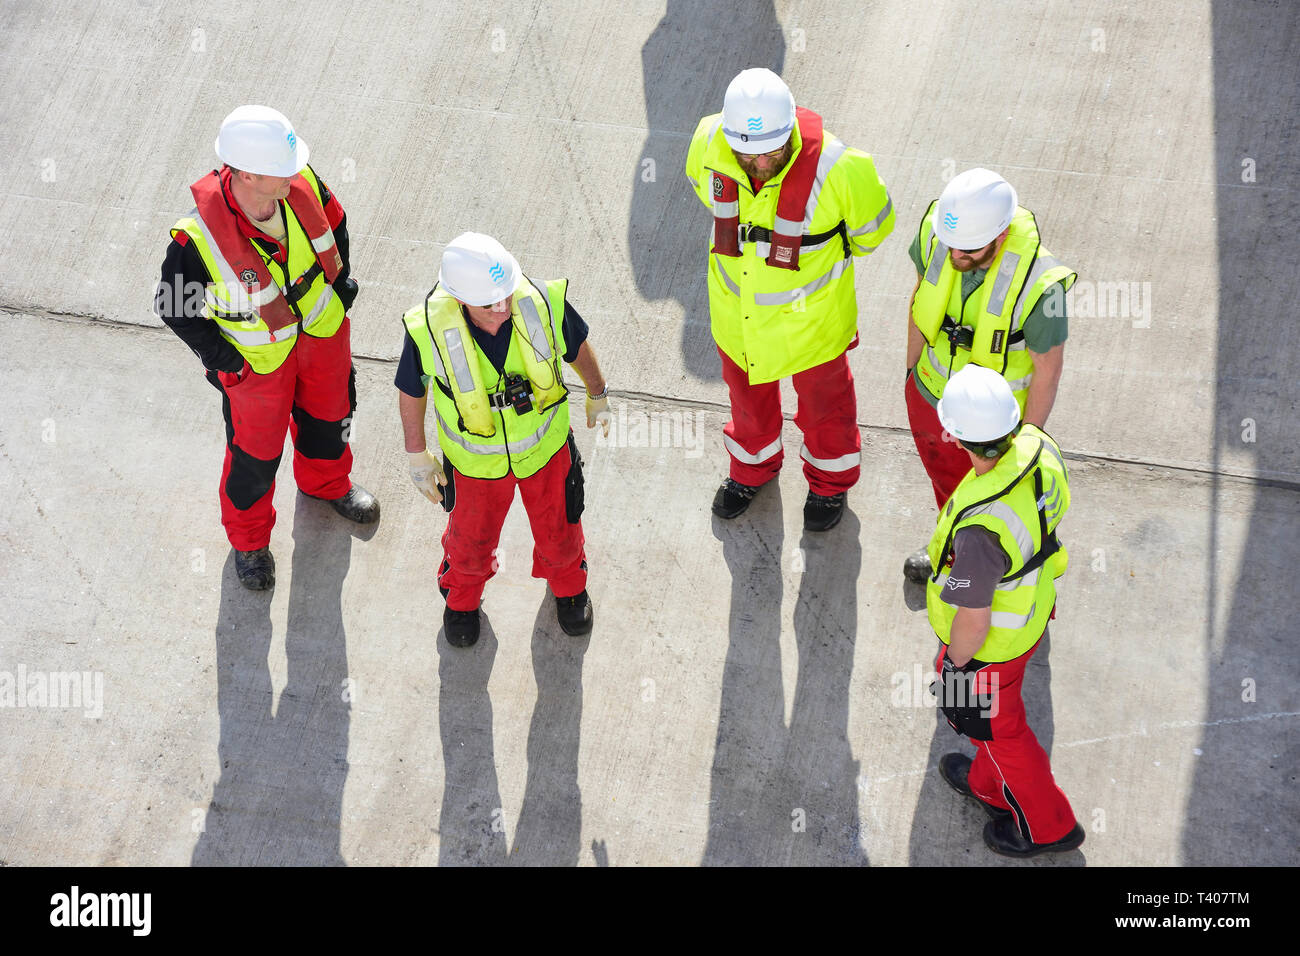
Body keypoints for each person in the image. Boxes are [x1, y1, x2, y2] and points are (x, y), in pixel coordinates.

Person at [155, 105, 378, 591]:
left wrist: (339, 291)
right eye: (282, 168)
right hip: (257, 364)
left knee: (331, 415)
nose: (294, 173)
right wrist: (225, 361)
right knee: (253, 457)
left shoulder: (302, 185)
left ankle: (327, 485)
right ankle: (250, 541)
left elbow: (335, 226)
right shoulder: (196, 241)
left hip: (321, 335)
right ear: (249, 173)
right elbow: (174, 306)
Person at [685, 68, 895, 531]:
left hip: (813, 328)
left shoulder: (843, 170)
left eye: (772, 154)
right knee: (747, 408)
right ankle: (751, 469)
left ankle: (829, 483)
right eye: (748, 155)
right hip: (737, 319)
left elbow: (872, 232)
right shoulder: (706, 143)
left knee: (826, 411)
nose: (760, 166)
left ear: (792, 135)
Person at [395, 233, 610, 647]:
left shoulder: (539, 302)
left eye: (505, 296)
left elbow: (576, 344)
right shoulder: (428, 329)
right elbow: (411, 388)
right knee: (469, 541)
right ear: (460, 300)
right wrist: (416, 454)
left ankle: (569, 588)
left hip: (546, 454)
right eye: (489, 303)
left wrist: (597, 393)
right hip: (475, 467)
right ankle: (461, 600)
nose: (502, 307)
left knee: (561, 530)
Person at [924, 364, 1084, 857]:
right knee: (992, 725)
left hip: (993, 646)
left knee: (1002, 730)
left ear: (954, 435)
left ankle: (1050, 828)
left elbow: (974, 618)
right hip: (1032, 612)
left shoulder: (980, 533)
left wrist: (954, 664)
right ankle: (988, 787)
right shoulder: (1038, 446)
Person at [903, 167, 1076, 581]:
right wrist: (910, 374)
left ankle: (1005, 574)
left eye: (968, 251)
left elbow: (1047, 372)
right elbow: (919, 299)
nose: (954, 257)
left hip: (997, 430)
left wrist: (1026, 446)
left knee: (1002, 507)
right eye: (951, 247)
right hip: (932, 401)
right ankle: (955, 553)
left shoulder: (1041, 286)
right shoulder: (938, 233)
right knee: (949, 488)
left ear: (1000, 237)